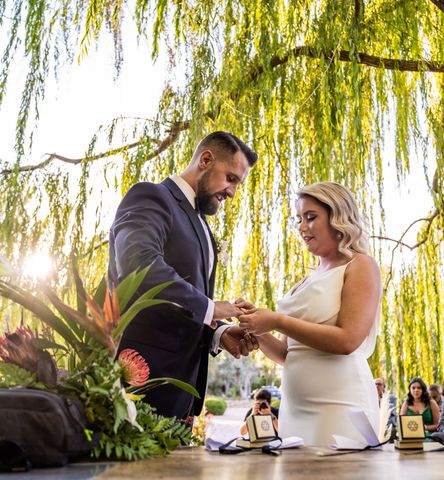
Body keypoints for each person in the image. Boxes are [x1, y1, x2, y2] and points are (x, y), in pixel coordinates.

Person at [109, 131, 259, 420]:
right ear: (205, 160)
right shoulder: (152, 196)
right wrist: (212, 308)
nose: (232, 193)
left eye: (238, 184)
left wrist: (219, 332)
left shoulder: (200, 223)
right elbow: (138, 263)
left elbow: (183, 304)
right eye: (231, 179)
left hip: (183, 392)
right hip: (143, 382)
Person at [238, 182, 381, 446]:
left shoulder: (360, 265)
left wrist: (277, 320)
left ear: (338, 216)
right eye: (299, 219)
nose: (302, 228)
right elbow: (287, 354)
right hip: (295, 408)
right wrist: (257, 329)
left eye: (311, 217)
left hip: (340, 404)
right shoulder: (306, 280)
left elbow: (348, 340)